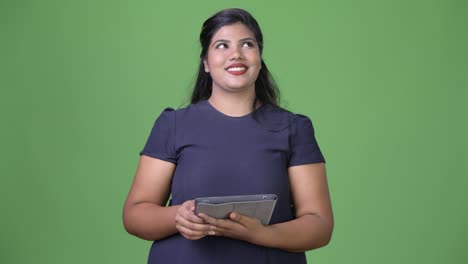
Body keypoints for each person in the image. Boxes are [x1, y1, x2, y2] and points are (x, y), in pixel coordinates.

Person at [123, 8, 334, 264]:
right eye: (222, 45)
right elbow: (135, 215)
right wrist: (178, 216)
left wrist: (261, 234)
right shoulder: (173, 124)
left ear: (259, 56)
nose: (236, 54)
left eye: (247, 44)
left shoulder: (294, 128)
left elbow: (319, 225)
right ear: (206, 63)